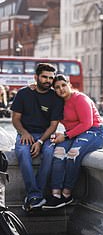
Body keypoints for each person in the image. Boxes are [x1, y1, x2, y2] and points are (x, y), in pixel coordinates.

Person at [43, 74, 103, 209]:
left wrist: (65, 136)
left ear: (69, 85)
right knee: (58, 152)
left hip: (95, 131)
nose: (61, 89)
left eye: (63, 85)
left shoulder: (80, 98)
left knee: (73, 153)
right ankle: (56, 195)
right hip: (74, 134)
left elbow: (87, 123)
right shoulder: (58, 103)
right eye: (57, 87)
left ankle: (67, 195)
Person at [10, 63, 63, 211]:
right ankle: (35, 195)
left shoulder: (56, 98)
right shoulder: (23, 93)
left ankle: (35, 195)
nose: (48, 80)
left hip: (45, 135)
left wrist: (40, 141)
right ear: (36, 77)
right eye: (44, 77)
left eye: (51, 78)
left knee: (48, 152)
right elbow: (15, 119)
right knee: (22, 151)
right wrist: (24, 133)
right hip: (25, 132)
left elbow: (53, 126)